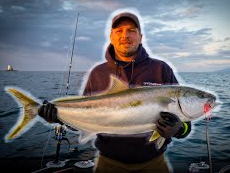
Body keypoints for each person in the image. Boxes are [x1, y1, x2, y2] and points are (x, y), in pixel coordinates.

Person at [38, 11, 191, 173]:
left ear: (141, 37)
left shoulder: (161, 69)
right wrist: (60, 117)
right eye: (119, 31)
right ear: (111, 37)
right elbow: (84, 120)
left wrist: (180, 128)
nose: (125, 35)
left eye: (131, 30)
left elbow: (185, 121)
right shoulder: (98, 73)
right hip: (108, 164)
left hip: (154, 164)